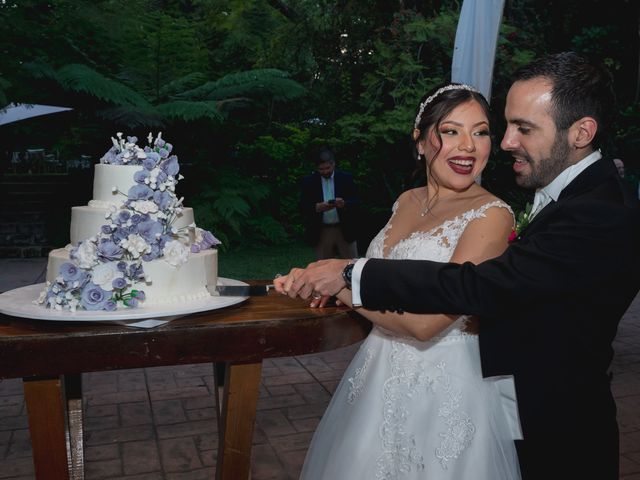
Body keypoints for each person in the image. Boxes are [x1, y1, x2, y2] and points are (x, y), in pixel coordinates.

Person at [276, 52, 640, 480]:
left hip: (558, 424)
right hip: (473, 394)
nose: (504, 142)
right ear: (421, 139)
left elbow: (476, 288)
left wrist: (347, 276)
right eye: (503, 127)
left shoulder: (598, 211)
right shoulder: (570, 197)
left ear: (581, 132)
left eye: (522, 128)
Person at [296, 84, 522, 479]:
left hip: (445, 386)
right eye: (451, 131)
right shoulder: (406, 200)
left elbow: (426, 324)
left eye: (481, 131)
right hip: (377, 375)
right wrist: (326, 284)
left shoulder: (491, 215)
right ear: (420, 141)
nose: (468, 146)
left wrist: (343, 286)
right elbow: (382, 277)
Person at [300, 147, 359, 259]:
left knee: (351, 265)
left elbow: (356, 202)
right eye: (321, 169)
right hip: (322, 230)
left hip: (344, 229)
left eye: (328, 168)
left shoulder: (345, 178)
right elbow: (303, 206)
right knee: (323, 268)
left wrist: (344, 204)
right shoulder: (309, 182)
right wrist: (317, 207)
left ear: (333, 164)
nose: (325, 171)